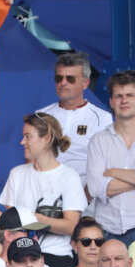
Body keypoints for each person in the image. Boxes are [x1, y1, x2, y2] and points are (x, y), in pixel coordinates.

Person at [87, 70, 135, 246]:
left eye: (130, 95)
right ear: (111, 102)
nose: (124, 100)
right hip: (107, 229)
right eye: (118, 96)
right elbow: (94, 188)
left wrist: (115, 172)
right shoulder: (98, 141)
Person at [0, 112, 85, 267]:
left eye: (28, 136)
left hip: (58, 257)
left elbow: (71, 226)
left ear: (47, 139)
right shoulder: (16, 174)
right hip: (21, 255)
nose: (22, 142)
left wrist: (36, 219)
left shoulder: (69, 176)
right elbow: (11, 223)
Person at [36, 53, 112, 183]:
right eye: (59, 78)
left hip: (85, 191)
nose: (63, 83)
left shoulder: (102, 118)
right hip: (46, 190)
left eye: (70, 79)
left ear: (85, 83)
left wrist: (86, 194)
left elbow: (106, 166)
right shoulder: (40, 116)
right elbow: (32, 159)